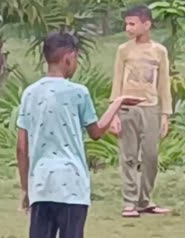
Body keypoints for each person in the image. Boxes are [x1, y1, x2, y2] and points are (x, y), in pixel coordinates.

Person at [16, 32, 144, 238]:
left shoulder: (29, 93)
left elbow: (21, 148)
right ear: (68, 57)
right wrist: (117, 103)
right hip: (72, 187)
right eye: (75, 59)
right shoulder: (78, 92)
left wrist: (26, 188)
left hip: (41, 185)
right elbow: (96, 132)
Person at [109, 5, 173, 217]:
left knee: (151, 156)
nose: (128, 28)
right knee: (128, 156)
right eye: (126, 23)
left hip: (151, 108)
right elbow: (117, 82)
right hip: (127, 108)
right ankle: (129, 202)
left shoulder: (159, 51)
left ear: (147, 24)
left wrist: (165, 114)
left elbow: (164, 84)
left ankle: (145, 200)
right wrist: (114, 113)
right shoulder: (123, 50)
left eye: (132, 23)